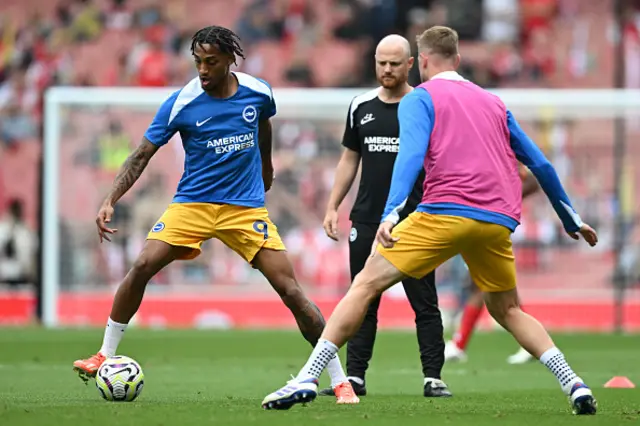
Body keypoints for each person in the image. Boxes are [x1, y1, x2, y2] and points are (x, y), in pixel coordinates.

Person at [262, 26, 598, 416]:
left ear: (420, 62)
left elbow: (410, 156)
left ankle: (307, 376)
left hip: (443, 213)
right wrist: (570, 217)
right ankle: (573, 382)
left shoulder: (419, 98)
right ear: (457, 59)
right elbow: (539, 163)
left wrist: (391, 212)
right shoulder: (492, 102)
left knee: (365, 284)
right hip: (495, 218)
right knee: (508, 310)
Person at [72, 25, 358, 405]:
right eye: (197, 62)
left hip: (244, 209)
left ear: (229, 61)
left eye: (210, 62)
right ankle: (105, 354)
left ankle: (339, 381)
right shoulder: (181, 103)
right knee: (142, 264)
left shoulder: (258, 92)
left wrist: (267, 167)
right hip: (192, 204)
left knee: (291, 290)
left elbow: (263, 124)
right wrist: (111, 197)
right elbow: (142, 153)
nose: (203, 70)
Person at [319, 35, 450, 398]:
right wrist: (332, 205)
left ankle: (433, 377)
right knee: (362, 298)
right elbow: (350, 158)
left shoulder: (425, 104)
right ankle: (356, 376)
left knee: (424, 300)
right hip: (367, 220)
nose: (387, 70)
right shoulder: (360, 106)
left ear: (410, 64)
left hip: (415, 221)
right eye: (381, 63)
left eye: (395, 63)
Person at [445, 165, 540, 365]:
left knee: (486, 284)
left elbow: (532, 181)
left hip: (492, 221)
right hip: (476, 219)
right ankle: (460, 344)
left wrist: (503, 200)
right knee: (485, 285)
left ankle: (459, 344)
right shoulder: (470, 149)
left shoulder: (500, 151)